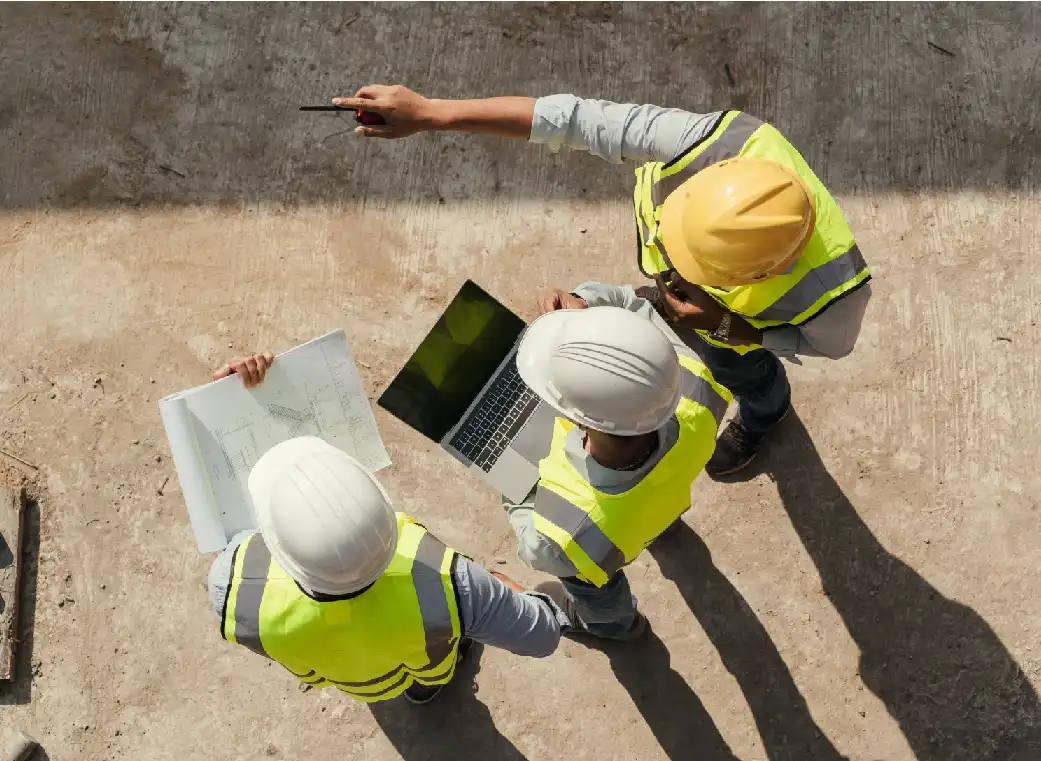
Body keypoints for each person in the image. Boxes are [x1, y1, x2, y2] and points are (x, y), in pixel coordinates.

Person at [330, 85, 872, 475]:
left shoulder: (836, 296)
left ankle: (764, 415)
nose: (670, 269)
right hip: (713, 312)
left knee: (748, 376)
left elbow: (830, 348)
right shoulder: (710, 142)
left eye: (692, 267)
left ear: (760, 272)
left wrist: (733, 329)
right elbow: (570, 119)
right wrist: (431, 112)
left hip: (733, 333)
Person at [208, 354, 569, 705]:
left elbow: (236, 528)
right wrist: (496, 588)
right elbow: (542, 634)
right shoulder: (452, 582)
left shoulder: (232, 587)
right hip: (427, 664)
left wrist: (231, 404)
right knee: (428, 672)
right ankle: (426, 689)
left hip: (355, 680)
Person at [503, 289, 732, 640]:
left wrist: (510, 473)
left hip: (601, 546)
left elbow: (534, 549)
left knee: (595, 591)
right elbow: (630, 304)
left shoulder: (561, 536)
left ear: (571, 417)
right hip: (658, 503)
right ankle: (661, 530)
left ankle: (616, 626)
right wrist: (586, 308)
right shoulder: (697, 388)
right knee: (653, 510)